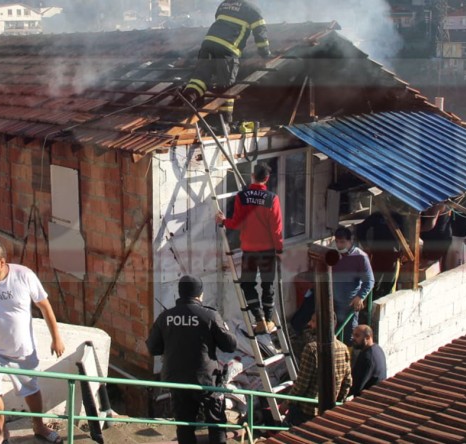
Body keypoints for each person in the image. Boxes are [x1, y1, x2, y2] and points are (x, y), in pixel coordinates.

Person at [0, 242, 65, 444]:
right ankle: (1, 432)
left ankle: (39, 426)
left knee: (32, 390)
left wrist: (56, 338)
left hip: (22, 349)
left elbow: (44, 306)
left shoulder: (23, 276)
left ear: (1, 262)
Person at [146, 275, 237, 444]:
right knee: (216, 423)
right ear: (199, 295)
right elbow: (230, 345)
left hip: (177, 381)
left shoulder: (165, 317)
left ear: (180, 293)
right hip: (207, 381)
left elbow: (153, 348)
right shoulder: (209, 315)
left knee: (185, 425)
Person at [215, 163, 283, 334]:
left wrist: (223, 221)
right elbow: (277, 228)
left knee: (247, 284)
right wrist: (279, 249)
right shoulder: (272, 198)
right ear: (267, 178)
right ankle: (268, 320)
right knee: (268, 285)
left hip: (249, 250)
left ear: (253, 176)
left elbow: (236, 223)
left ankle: (258, 317)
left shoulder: (242, 196)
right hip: (267, 250)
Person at [179, 0, 271, 123]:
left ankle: (188, 98)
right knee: (226, 86)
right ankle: (224, 121)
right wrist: (265, 53)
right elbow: (260, 33)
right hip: (228, 49)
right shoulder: (252, 9)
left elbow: (219, 20)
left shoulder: (224, 4)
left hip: (208, 44)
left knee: (200, 78)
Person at [283, 312, 351, 425]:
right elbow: (347, 382)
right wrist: (338, 403)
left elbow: (301, 385)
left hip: (306, 411)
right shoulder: (343, 349)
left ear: (321, 325)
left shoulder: (311, 349)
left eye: (313, 321)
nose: (309, 324)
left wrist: (287, 402)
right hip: (329, 409)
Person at [331, 227, 374, 345]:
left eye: (343, 242)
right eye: (337, 242)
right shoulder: (333, 253)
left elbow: (369, 280)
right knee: (333, 334)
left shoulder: (360, 257)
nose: (339, 245)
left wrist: (360, 297)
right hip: (333, 302)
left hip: (349, 304)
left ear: (351, 241)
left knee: (349, 335)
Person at [356, 212, 403, 301]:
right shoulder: (377, 216)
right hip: (378, 254)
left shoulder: (399, 217)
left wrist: (403, 251)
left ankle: (385, 302)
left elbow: (406, 235)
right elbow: (361, 229)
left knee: (389, 283)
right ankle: (370, 304)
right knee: (374, 281)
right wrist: (365, 245)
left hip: (393, 256)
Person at [350, 325, 386, 397]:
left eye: (357, 336)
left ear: (368, 338)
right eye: (353, 335)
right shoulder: (377, 348)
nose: (353, 339)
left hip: (368, 400)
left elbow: (356, 386)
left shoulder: (367, 357)